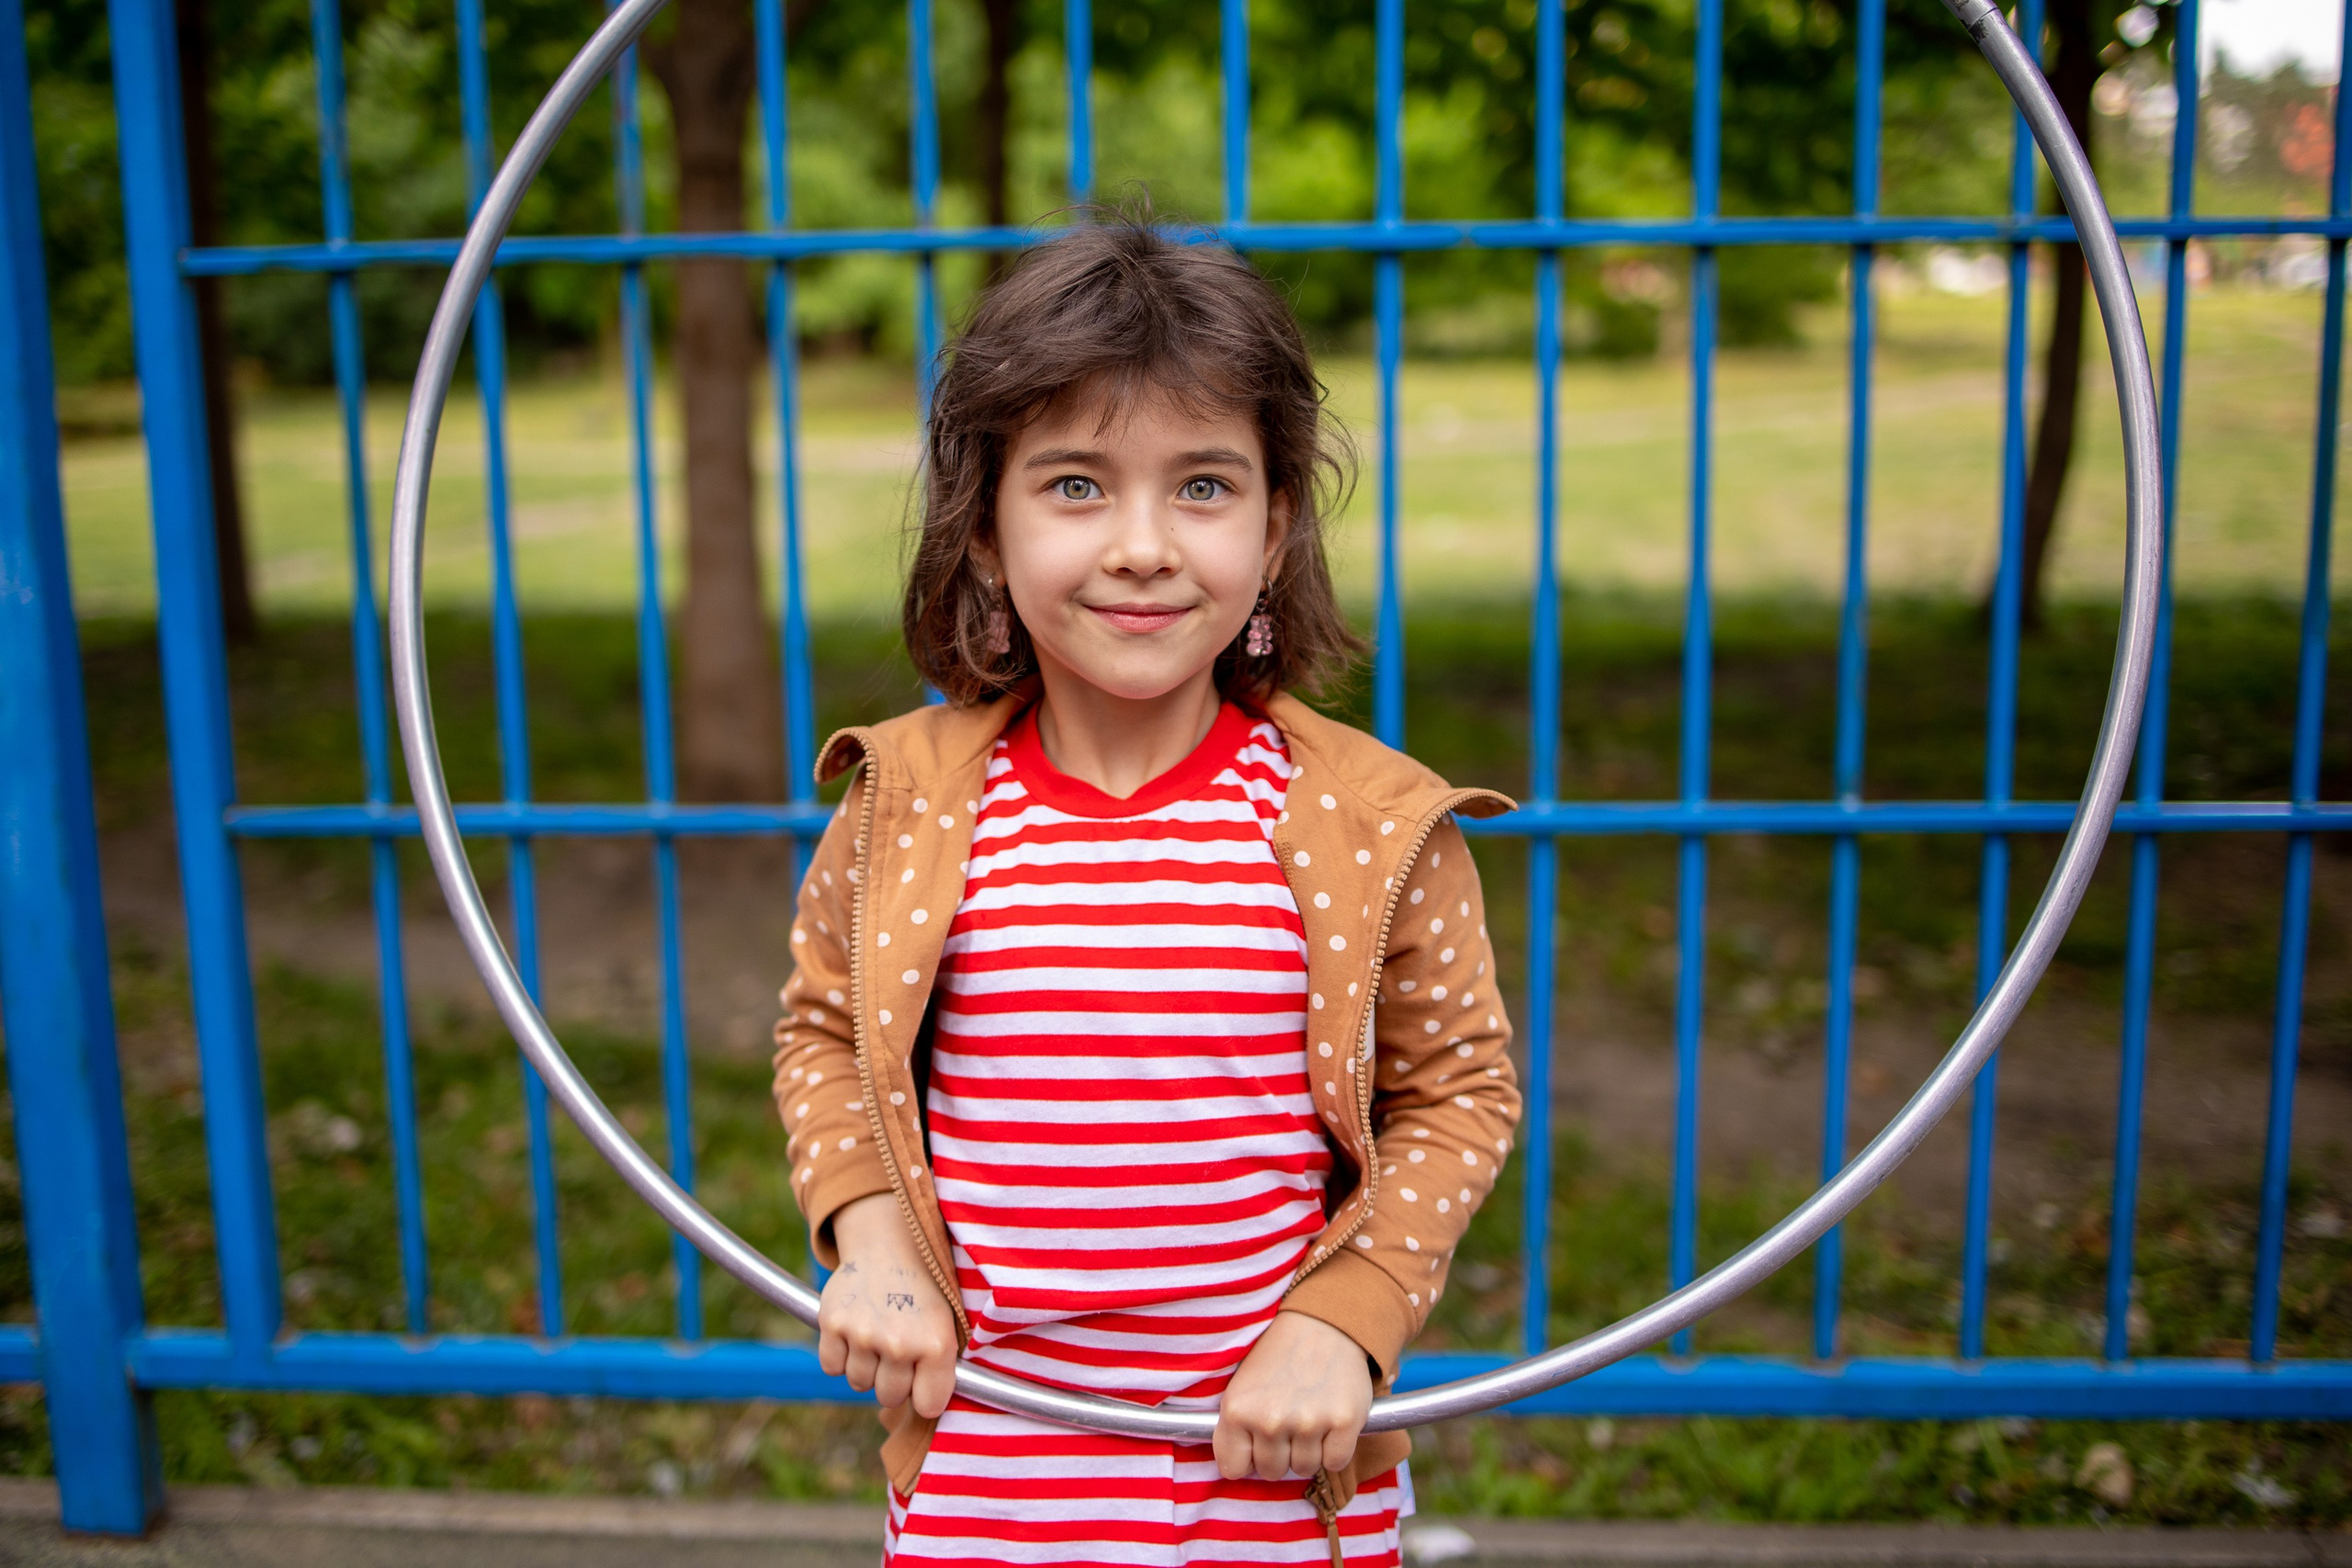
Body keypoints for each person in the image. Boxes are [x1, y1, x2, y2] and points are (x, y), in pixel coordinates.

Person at [771, 211, 1522, 1568]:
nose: (1140, 545)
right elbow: (824, 1034)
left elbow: (1458, 1092)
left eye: (1202, 486)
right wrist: (872, 1237)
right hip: (992, 1464)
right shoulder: (910, 808)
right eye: (1073, 486)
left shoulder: (1361, 824)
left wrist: (1342, 1319)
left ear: (1276, 520)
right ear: (987, 530)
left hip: (1270, 1463)